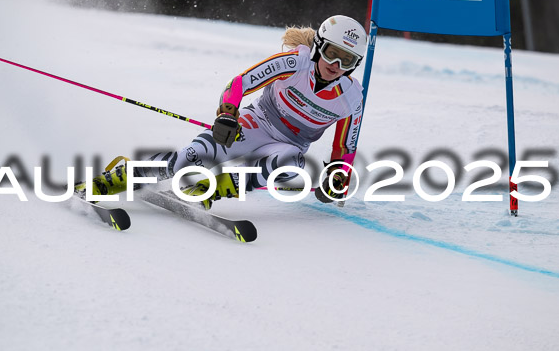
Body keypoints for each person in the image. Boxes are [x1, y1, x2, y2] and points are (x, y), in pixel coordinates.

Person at [76, 15, 368, 208]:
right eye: (332, 53)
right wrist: (228, 114)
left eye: (347, 61)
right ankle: (120, 177)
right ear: (318, 47)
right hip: (256, 123)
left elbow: (345, 147)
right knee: (190, 159)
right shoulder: (295, 62)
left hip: (288, 146)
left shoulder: (351, 98)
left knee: (291, 164)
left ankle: (209, 188)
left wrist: (338, 176)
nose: (336, 66)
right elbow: (240, 83)